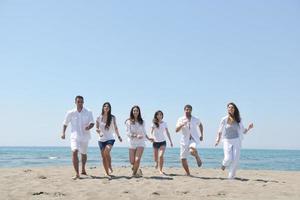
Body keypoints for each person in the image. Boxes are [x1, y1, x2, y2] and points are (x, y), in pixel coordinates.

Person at [215, 102, 254, 179]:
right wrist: (217, 140)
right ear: (227, 109)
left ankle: (231, 177)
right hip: (227, 140)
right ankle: (224, 164)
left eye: (232, 107)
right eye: (229, 107)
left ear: (234, 109)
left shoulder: (239, 119)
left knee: (235, 160)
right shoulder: (224, 119)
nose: (231, 109)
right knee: (228, 158)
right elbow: (219, 131)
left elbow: (244, 131)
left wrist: (249, 128)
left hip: (237, 141)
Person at [61, 95, 94, 180]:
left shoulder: (88, 112)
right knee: (74, 151)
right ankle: (77, 173)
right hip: (74, 136)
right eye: (78, 101)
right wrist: (63, 133)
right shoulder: (70, 112)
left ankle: (83, 168)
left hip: (85, 136)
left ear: (83, 102)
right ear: (75, 102)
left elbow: (92, 123)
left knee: (83, 154)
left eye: (81, 101)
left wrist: (89, 127)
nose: (80, 103)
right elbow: (65, 123)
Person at [96, 102, 122, 178]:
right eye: (105, 106)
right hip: (101, 139)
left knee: (106, 151)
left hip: (110, 138)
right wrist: (99, 132)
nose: (106, 107)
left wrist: (119, 136)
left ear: (110, 108)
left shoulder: (113, 117)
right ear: (103, 108)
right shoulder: (99, 117)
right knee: (104, 156)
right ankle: (107, 173)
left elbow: (116, 127)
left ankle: (110, 166)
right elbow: (97, 128)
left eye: (108, 106)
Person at [176, 104, 204, 176]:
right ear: (184, 110)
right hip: (184, 140)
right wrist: (182, 125)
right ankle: (188, 173)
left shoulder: (195, 119)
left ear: (191, 110)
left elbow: (200, 125)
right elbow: (176, 130)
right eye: (186, 109)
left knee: (192, 151)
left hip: (193, 139)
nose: (187, 111)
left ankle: (197, 157)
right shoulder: (180, 119)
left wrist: (201, 135)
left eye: (189, 109)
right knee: (183, 158)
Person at [125, 105, 153, 177]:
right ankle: (138, 170)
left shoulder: (142, 122)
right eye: (134, 111)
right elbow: (128, 133)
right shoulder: (128, 121)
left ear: (139, 112)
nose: (135, 112)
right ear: (132, 112)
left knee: (137, 160)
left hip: (141, 142)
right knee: (132, 162)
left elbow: (144, 132)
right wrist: (135, 136)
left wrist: (149, 138)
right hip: (132, 143)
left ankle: (134, 174)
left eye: (137, 111)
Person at [150, 110, 173, 174]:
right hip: (155, 142)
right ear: (156, 116)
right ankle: (157, 162)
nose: (159, 116)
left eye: (160, 114)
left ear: (162, 116)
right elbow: (151, 132)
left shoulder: (164, 123)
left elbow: (167, 132)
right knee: (155, 158)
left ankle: (160, 170)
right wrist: (151, 137)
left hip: (163, 142)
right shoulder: (153, 123)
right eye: (158, 114)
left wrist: (170, 141)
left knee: (161, 156)